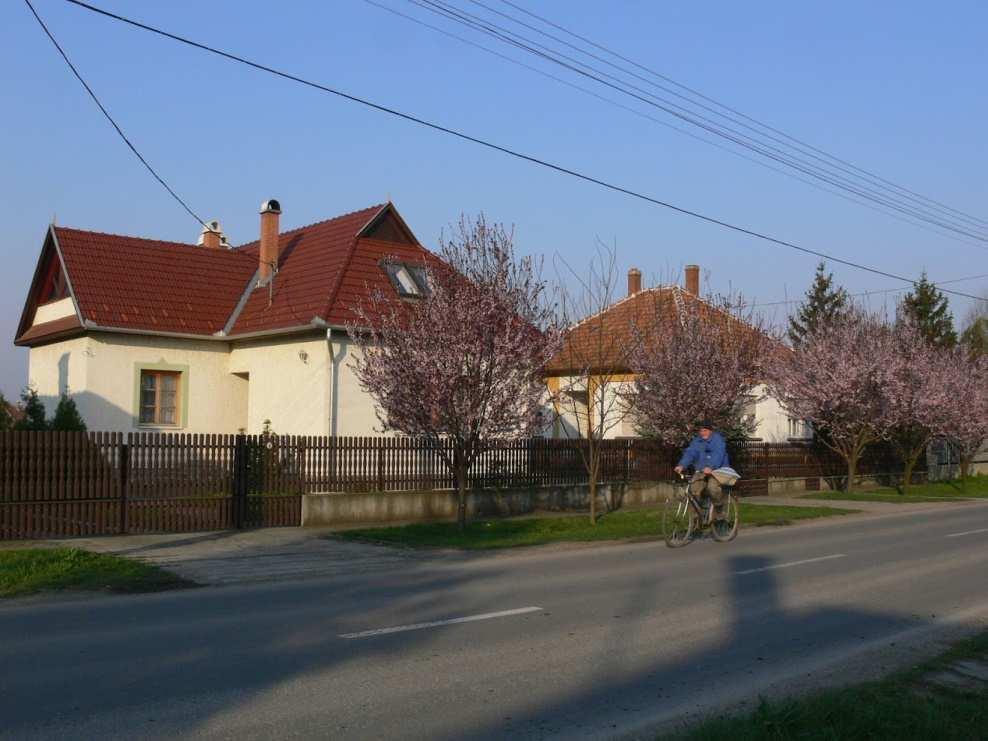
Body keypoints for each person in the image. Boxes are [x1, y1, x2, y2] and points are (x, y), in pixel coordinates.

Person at [674, 420, 730, 519]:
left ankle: (719, 507)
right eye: (701, 431)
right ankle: (696, 518)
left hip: (717, 470)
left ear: (710, 431)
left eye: (705, 430)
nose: (702, 433)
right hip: (701, 470)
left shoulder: (718, 440)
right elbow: (690, 453)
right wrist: (682, 465)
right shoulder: (697, 441)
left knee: (712, 488)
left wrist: (711, 466)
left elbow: (718, 454)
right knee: (694, 490)